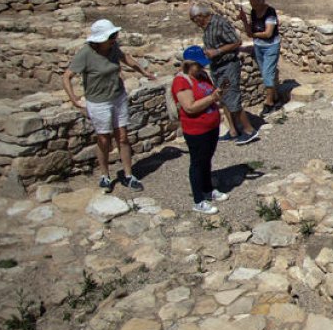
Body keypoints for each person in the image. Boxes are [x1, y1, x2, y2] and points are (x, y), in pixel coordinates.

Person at [62, 19, 155, 192]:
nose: (114, 38)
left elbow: (125, 58)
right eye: (111, 36)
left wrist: (143, 72)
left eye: (115, 35)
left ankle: (128, 175)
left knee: (123, 137)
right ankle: (105, 175)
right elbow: (67, 76)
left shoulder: (113, 48)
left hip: (118, 97)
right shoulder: (86, 53)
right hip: (99, 102)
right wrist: (74, 99)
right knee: (104, 139)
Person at [172, 46, 230, 215]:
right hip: (196, 129)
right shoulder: (181, 81)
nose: (202, 67)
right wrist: (212, 98)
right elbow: (189, 107)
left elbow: (210, 94)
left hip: (211, 126)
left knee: (207, 159)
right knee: (197, 163)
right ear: (189, 64)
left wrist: (218, 93)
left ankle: (207, 189)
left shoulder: (202, 75)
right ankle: (198, 200)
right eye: (198, 65)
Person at [190, 4, 258, 145]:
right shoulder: (207, 27)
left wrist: (218, 51)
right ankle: (233, 131)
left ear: (200, 16)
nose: (194, 23)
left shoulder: (220, 23)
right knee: (222, 98)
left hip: (228, 66)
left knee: (232, 97)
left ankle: (249, 130)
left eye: (194, 19)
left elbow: (236, 42)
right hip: (217, 67)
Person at [238, 0, 281, 116]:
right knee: (265, 73)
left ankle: (269, 103)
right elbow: (249, 32)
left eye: (252, 1)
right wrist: (244, 20)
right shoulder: (253, 12)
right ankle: (275, 97)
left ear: (260, 0)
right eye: (250, 1)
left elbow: (268, 33)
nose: (251, 3)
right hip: (259, 46)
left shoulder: (270, 12)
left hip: (271, 46)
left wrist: (254, 35)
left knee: (267, 74)